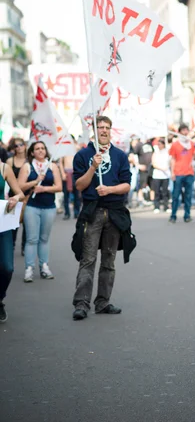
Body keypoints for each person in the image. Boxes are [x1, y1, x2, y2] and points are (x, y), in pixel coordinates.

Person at [72, 116, 133, 321]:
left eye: (107, 127)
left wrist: (110, 189)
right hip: (93, 212)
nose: (104, 131)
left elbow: (126, 185)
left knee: (109, 260)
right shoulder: (83, 155)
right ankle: (81, 304)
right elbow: (79, 185)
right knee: (88, 259)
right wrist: (93, 167)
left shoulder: (119, 156)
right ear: (94, 131)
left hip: (114, 213)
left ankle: (103, 302)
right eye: (100, 128)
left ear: (110, 130)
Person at [18, 142, 62, 283]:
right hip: (32, 206)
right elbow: (19, 186)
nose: (41, 151)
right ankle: (29, 269)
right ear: (32, 152)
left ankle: (44, 266)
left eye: (43, 148)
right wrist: (35, 182)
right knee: (31, 239)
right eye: (37, 149)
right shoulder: (27, 166)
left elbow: (59, 187)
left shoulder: (52, 166)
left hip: (49, 207)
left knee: (44, 238)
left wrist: (44, 189)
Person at [0, 161, 24, 323]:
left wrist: (14, 198)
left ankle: (0, 298)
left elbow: (20, 194)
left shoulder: (4, 167)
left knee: (7, 267)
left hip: (2, 221)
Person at [169, 124, 195, 223]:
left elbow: (194, 156)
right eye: (183, 131)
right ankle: (173, 215)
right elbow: (172, 159)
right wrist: (172, 172)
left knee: (188, 195)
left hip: (189, 173)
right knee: (176, 196)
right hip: (178, 173)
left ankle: (187, 215)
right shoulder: (175, 144)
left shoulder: (192, 144)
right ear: (180, 132)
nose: (185, 132)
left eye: (186, 130)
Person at [6, 138, 27, 251]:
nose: (19, 147)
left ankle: (24, 246)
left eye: (21, 145)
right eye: (16, 145)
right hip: (13, 194)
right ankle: (12, 244)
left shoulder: (29, 161)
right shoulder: (10, 161)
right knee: (13, 223)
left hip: (27, 194)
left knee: (27, 223)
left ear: (25, 146)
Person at [59, 140, 81, 220]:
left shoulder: (76, 148)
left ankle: (76, 212)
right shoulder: (63, 150)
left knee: (76, 195)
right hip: (66, 174)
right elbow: (60, 162)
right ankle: (67, 213)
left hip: (75, 174)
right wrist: (62, 174)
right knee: (66, 196)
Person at [151, 138, 170, 213]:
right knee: (157, 192)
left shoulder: (167, 152)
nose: (159, 145)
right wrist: (162, 168)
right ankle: (156, 206)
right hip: (157, 175)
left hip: (165, 175)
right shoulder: (155, 152)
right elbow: (154, 163)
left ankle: (166, 206)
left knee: (165, 192)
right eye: (158, 144)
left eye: (160, 144)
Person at [133, 138, 154, 207]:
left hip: (151, 168)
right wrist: (138, 165)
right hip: (143, 169)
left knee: (152, 186)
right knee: (141, 185)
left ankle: (152, 201)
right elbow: (133, 155)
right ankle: (140, 201)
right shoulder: (139, 144)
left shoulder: (150, 144)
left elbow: (153, 154)